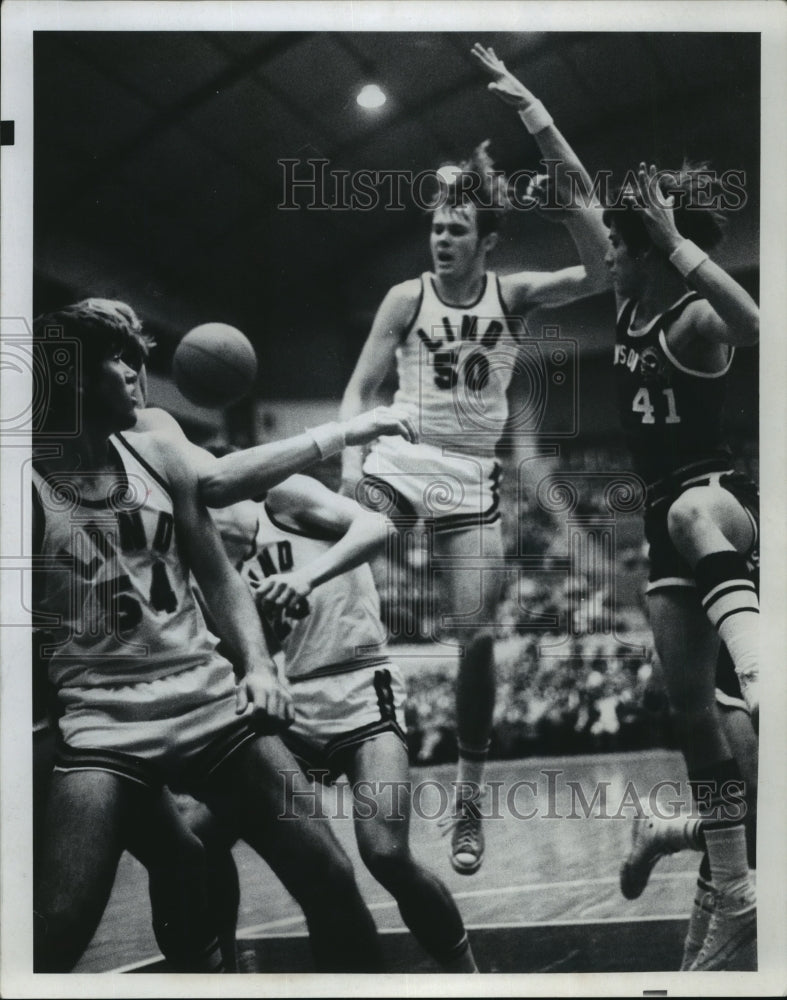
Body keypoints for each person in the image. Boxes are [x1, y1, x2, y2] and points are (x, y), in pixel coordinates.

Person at [31, 298, 388, 973]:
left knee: (329, 878)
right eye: (121, 358)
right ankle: (203, 972)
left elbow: (217, 572)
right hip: (101, 721)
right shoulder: (22, 480)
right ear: (74, 376)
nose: (140, 371)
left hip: (206, 699)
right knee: (61, 930)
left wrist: (257, 665)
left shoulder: (158, 436)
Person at [338, 43, 610, 875]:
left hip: (469, 478)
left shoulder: (513, 294)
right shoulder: (404, 297)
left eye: (455, 228)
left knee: (479, 637)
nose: (440, 237)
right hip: (397, 456)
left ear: (486, 240)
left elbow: (601, 264)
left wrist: (537, 120)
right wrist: (347, 471)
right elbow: (355, 393)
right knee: (314, 530)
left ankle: (466, 794)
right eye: (433, 226)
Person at [602, 162, 759, 971]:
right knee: (693, 713)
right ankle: (723, 882)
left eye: (616, 244)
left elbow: (755, 323)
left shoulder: (695, 314)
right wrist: (532, 116)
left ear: (648, 249)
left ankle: (760, 668)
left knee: (688, 511)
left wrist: (670, 238)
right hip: (662, 527)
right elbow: (568, 189)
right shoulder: (629, 306)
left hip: (718, 502)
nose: (603, 254)